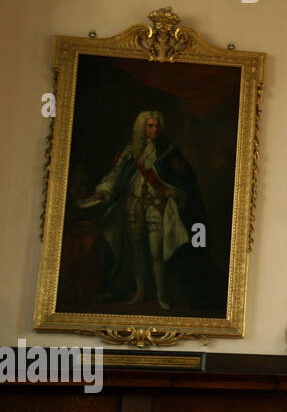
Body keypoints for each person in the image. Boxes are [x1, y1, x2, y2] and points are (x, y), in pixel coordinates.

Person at [77, 110, 206, 309]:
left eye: (157, 126)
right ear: (142, 128)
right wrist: (102, 191)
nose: (154, 129)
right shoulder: (130, 152)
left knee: (156, 252)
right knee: (137, 251)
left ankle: (161, 295)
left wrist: (171, 192)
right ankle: (140, 292)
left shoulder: (168, 151)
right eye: (150, 125)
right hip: (133, 205)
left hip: (156, 205)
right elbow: (114, 177)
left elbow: (183, 180)